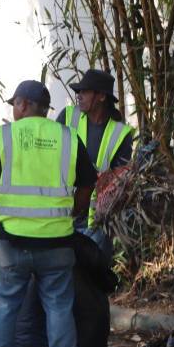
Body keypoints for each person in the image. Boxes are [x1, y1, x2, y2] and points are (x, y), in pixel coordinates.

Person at [0, 80, 96, 347]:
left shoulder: (6, 137)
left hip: (11, 242)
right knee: (59, 309)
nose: (13, 110)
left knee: (3, 308)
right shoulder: (68, 138)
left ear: (24, 105)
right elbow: (86, 186)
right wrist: (71, 214)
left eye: (15, 104)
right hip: (56, 242)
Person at [56, 69, 134, 236]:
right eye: (79, 91)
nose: (79, 95)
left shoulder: (121, 134)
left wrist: (105, 178)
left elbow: (120, 180)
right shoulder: (68, 116)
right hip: (61, 215)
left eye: (85, 91)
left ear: (101, 96)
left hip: (96, 223)